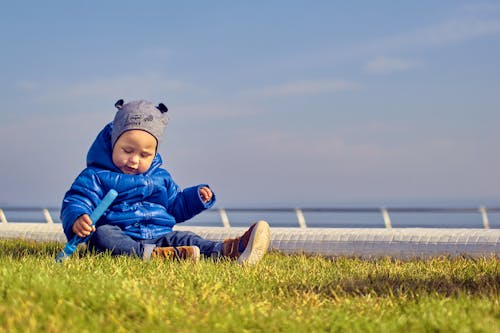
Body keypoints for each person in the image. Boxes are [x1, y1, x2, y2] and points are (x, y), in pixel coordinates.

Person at [60, 99, 270, 265]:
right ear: (112, 143)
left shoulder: (161, 177)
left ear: (154, 154)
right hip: (121, 234)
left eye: (144, 155)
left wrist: (195, 198)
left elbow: (175, 206)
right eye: (127, 150)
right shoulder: (96, 175)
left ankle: (231, 251)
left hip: (160, 235)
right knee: (104, 236)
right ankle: (152, 255)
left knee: (187, 238)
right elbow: (77, 200)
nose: (134, 160)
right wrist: (78, 217)